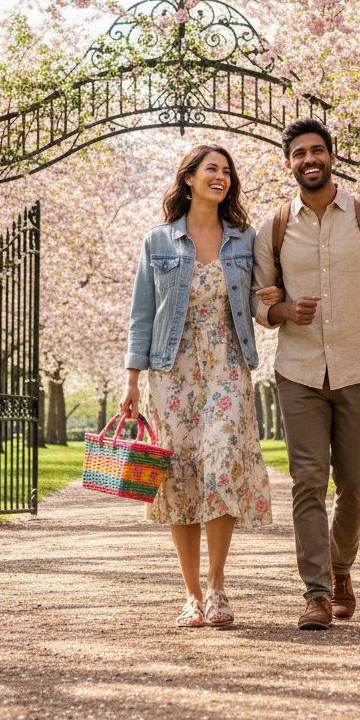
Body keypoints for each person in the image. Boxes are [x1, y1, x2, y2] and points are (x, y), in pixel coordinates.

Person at [251, 118, 360, 631]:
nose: (309, 159)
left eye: (317, 150)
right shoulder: (274, 226)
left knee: (353, 483)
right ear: (289, 163)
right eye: (299, 153)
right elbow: (258, 301)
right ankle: (317, 594)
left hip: (359, 365)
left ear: (331, 157)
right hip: (298, 370)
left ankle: (341, 568)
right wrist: (283, 312)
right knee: (308, 481)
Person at [119, 144, 277, 629]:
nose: (221, 177)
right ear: (189, 178)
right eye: (212, 169)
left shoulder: (245, 239)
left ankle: (217, 586)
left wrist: (270, 298)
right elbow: (142, 314)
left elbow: (258, 298)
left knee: (222, 465)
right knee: (180, 478)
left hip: (227, 363)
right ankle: (190, 594)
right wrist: (132, 379)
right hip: (172, 371)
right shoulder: (158, 241)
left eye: (227, 171)